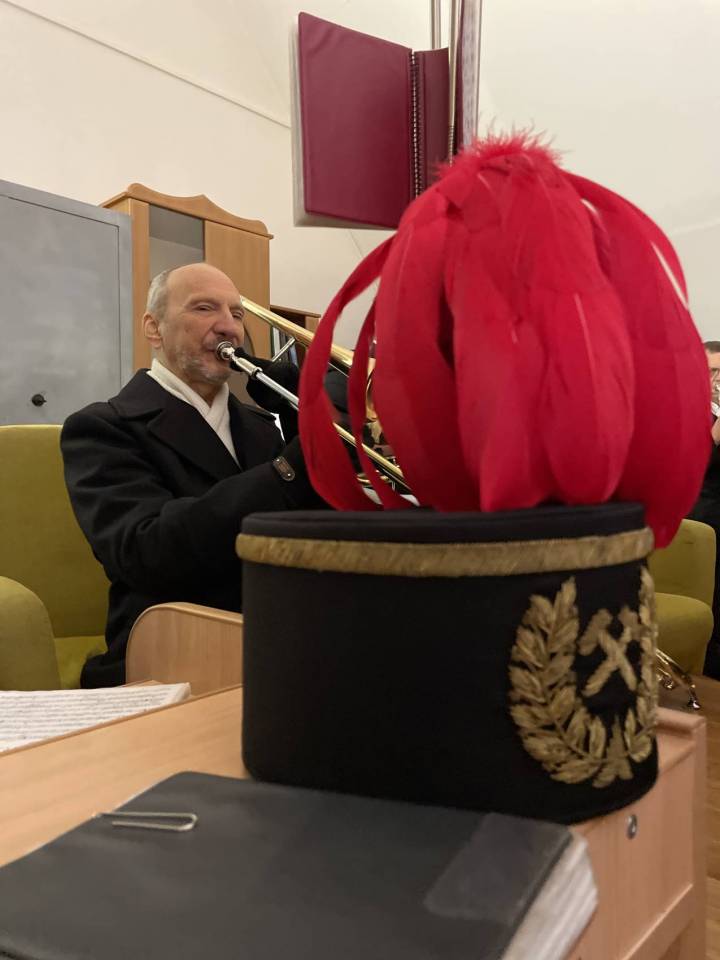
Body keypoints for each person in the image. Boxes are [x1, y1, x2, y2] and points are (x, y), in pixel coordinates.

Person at [61, 262, 325, 687]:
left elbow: (307, 541)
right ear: (154, 329)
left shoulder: (261, 426)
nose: (229, 327)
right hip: (171, 653)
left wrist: (310, 420)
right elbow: (148, 551)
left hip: (281, 641)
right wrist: (288, 471)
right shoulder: (103, 427)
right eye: (204, 308)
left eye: (237, 314)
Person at [689, 340, 720, 676]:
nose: (716, 380)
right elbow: (690, 470)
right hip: (704, 519)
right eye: (711, 371)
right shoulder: (688, 412)